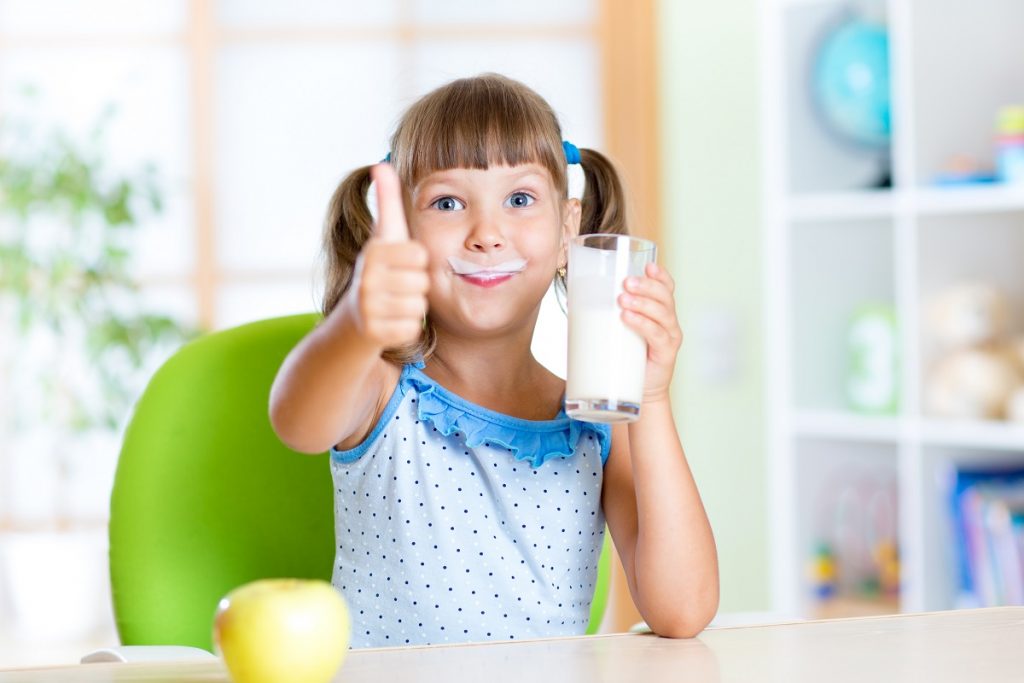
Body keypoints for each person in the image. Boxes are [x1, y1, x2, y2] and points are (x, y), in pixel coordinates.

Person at [269, 73, 718, 648]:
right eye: (448, 202)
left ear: (568, 233)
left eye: (520, 199)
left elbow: (682, 611)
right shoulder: (383, 386)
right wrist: (355, 324)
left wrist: (650, 397)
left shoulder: (596, 420)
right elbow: (297, 423)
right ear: (400, 232)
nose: (487, 233)